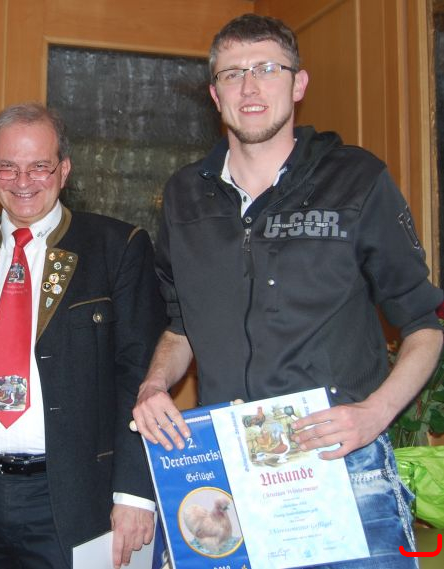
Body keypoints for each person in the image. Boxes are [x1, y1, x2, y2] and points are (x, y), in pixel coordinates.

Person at [132, 13, 443, 566]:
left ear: (298, 84)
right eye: (232, 74)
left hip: (343, 463)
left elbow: (424, 325)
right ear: (215, 94)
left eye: (267, 69)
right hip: (225, 472)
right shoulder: (183, 195)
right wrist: (155, 385)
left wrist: (375, 414)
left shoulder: (358, 179)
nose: (249, 88)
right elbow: (182, 328)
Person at [0, 102, 166, 569]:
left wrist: (134, 492)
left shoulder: (118, 248)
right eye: (8, 167)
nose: (23, 182)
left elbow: (138, 379)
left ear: (64, 169)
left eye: (40, 166)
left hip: (74, 497)